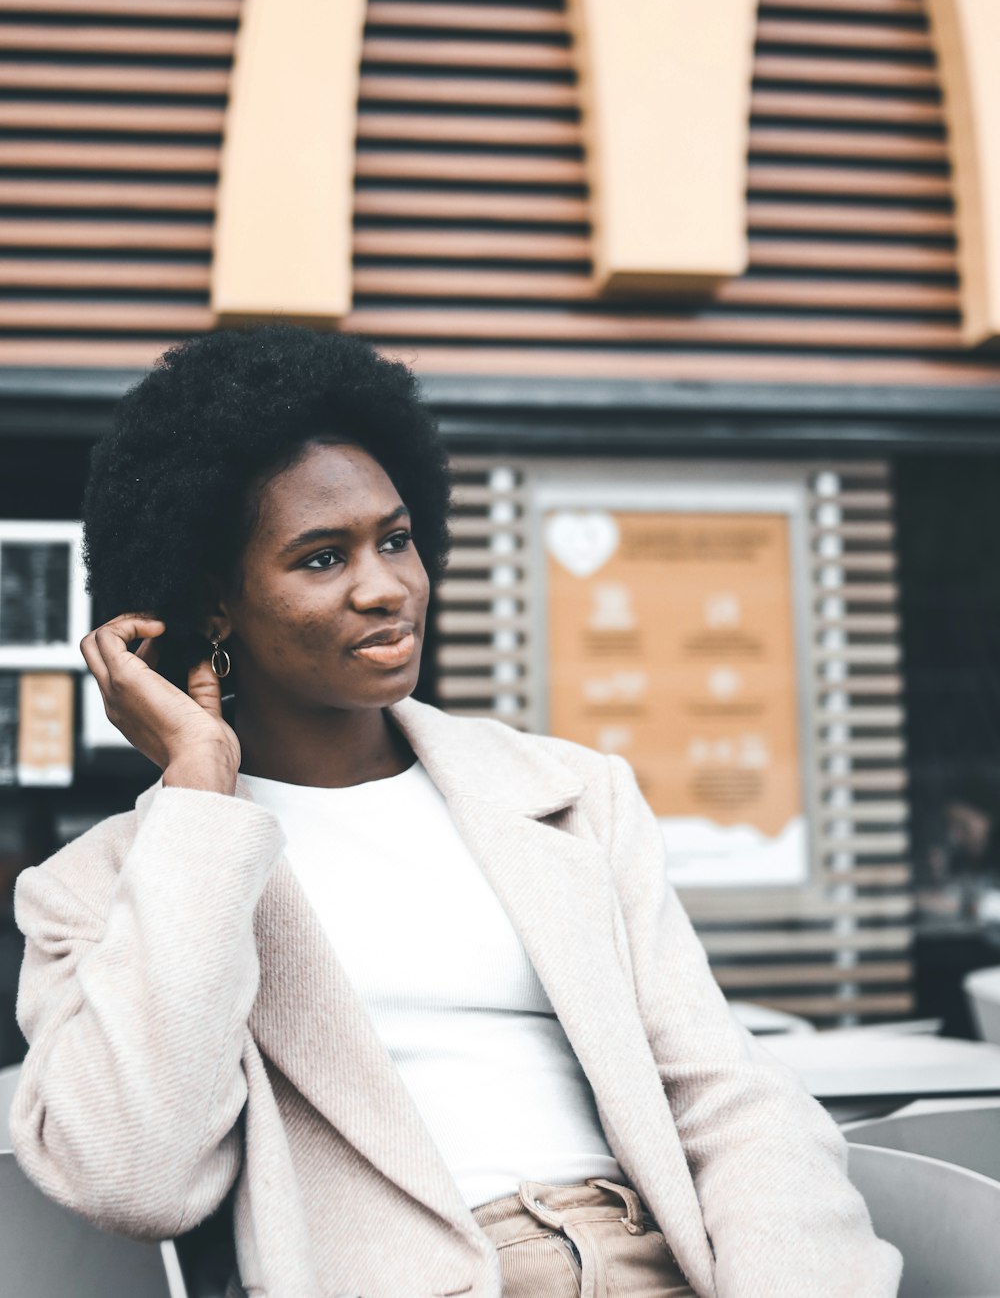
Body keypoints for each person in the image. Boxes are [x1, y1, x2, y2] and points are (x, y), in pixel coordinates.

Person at [8, 326, 901, 1298]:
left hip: (666, 1262)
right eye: (320, 559)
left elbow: (730, 1100)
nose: (387, 587)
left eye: (395, 539)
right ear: (215, 604)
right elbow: (141, 1178)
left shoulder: (569, 794)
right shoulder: (107, 886)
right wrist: (198, 785)